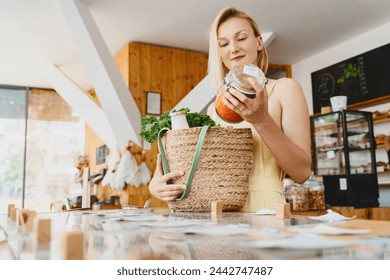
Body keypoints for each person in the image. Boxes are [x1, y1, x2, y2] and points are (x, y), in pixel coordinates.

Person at [148, 6, 311, 212]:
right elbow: (203, 172)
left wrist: (261, 120)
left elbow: (302, 172)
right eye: (223, 44)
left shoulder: (285, 89)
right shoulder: (214, 109)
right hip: (219, 214)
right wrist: (159, 183)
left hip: (266, 212)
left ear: (259, 43)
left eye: (241, 38)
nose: (233, 48)